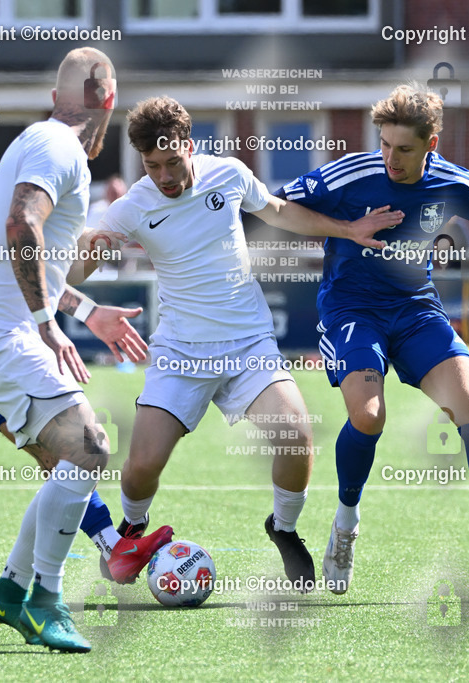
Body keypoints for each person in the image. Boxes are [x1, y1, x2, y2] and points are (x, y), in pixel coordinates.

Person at [76, 96, 394, 592]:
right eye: (152, 165)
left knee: (296, 436)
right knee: (140, 469)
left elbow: (281, 212)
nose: (164, 174)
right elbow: (83, 259)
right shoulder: (134, 206)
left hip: (248, 345)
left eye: (172, 161)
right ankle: (133, 529)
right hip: (180, 354)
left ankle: (284, 529)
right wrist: (73, 261)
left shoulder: (228, 174)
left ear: (190, 145)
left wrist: (348, 229)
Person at [279, 84, 469, 594]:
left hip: (416, 310)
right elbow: (278, 207)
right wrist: (346, 227)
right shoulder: (351, 173)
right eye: (383, 144)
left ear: (431, 144)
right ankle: (345, 524)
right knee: (369, 416)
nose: (390, 158)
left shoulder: (453, 180)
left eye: (403, 149)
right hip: (352, 310)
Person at [0, 48, 160, 654]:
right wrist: (47, 324)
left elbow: (29, 254)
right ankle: (46, 598)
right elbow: (23, 226)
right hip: (1, 337)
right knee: (90, 445)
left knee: (74, 457)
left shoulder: (45, 142)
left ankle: (13, 590)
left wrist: (87, 311)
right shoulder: (60, 147)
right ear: (110, 100)